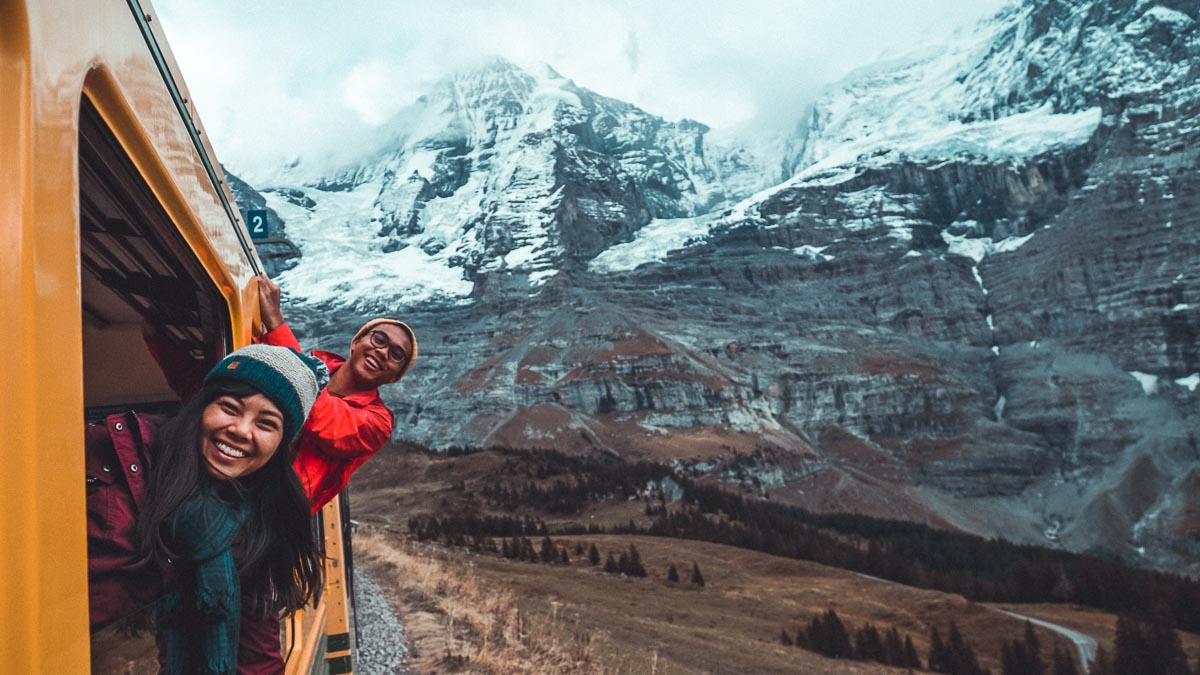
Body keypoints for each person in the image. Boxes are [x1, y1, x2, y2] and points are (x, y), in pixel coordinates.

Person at [87, 343, 326, 674]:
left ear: (279, 448)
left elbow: (255, 651)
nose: (241, 431)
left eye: (267, 424)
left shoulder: (253, 525)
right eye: (229, 407)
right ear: (202, 406)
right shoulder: (110, 456)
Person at [254, 274, 418, 512]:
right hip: (234, 474)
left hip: (272, 515)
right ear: (356, 342)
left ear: (395, 376)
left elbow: (324, 419)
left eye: (396, 355)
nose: (383, 352)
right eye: (379, 339)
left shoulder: (378, 423)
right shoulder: (310, 364)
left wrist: (276, 325)